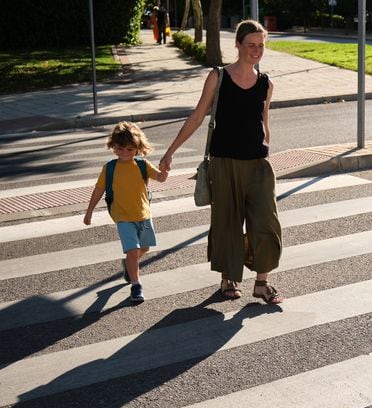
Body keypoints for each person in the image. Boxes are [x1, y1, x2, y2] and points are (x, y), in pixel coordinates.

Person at [160, 19, 283, 305]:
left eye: (261, 45)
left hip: (258, 163)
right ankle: (229, 277)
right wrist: (170, 152)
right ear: (238, 45)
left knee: (266, 221)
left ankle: (262, 284)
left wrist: (267, 143)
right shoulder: (218, 77)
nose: (256, 50)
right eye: (250, 45)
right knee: (227, 222)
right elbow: (197, 115)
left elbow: (264, 120)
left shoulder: (266, 83)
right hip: (224, 162)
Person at [84, 121, 169, 304]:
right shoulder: (110, 168)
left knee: (144, 248)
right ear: (113, 146)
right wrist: (89, 212)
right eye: (120, 148)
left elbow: (160, 179)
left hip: (143, 214)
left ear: (138, 148)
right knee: (133, 250)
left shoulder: (142, 165)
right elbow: (99, 190)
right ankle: (136, 285)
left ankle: (129, 266)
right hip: (122, 216)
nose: (124, 153)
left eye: (130, 149)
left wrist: (165, 170)